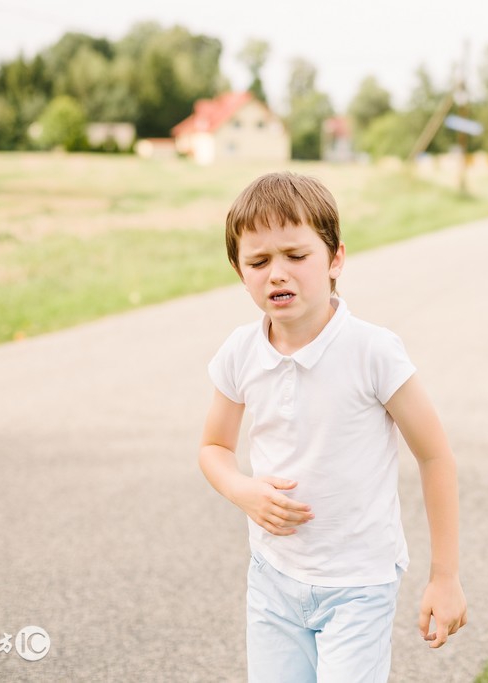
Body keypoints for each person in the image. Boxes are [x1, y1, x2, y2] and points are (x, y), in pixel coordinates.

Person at [199, 172, 467, 682]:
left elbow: (435, 457)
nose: (277, 274)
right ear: (240, 271)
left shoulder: (373, 352)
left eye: (296, 256)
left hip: (358, 584)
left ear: (335, 258)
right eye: (259, 261)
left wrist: (445, 576)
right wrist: (243, 491)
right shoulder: (240, 352)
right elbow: (213, 446)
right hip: (273, 577)